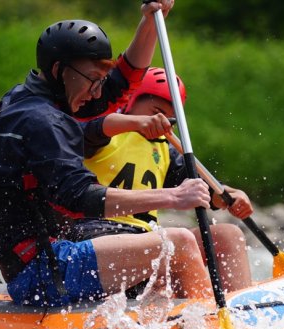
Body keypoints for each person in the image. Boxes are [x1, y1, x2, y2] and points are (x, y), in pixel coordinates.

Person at [0, 2, 215, 307]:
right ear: (60, 70)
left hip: (46, 260)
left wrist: (152, 20)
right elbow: (81, 198)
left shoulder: (37, 99)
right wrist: (173, 198)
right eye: (93, 80)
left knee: (170, 262)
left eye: (101, 80)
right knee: (178, 243)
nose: (98, 92)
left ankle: (182, 326)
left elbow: (119, 86)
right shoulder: (40, 121)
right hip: (44, 272)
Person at [76, 67, 253, 292]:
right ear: (130, 101)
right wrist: (135, 122)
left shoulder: (164, 150)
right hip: (100, 238)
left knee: (228, 235)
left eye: (169, 118)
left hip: (146, 239)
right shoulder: (100, 133)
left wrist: (231, 197)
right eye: (156, 111)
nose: (162, 122)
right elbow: (88, 130)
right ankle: (207, 313)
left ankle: (238, 312)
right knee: (178, 242)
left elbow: (206, 191)